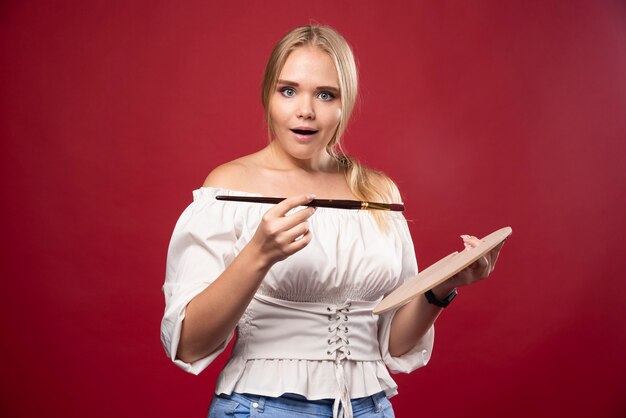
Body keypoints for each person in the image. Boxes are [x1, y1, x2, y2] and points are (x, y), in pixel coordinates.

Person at [161, 25, 504, 418]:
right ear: (267, 95)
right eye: (288, 90)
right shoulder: (229, 188)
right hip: (262, 407)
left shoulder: (378, 194)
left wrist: (444, 283)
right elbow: (189, 345)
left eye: (325, 94)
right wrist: (258, 254)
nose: (305, 109)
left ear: (346, 103)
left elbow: (393, 345)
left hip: (369, 409)